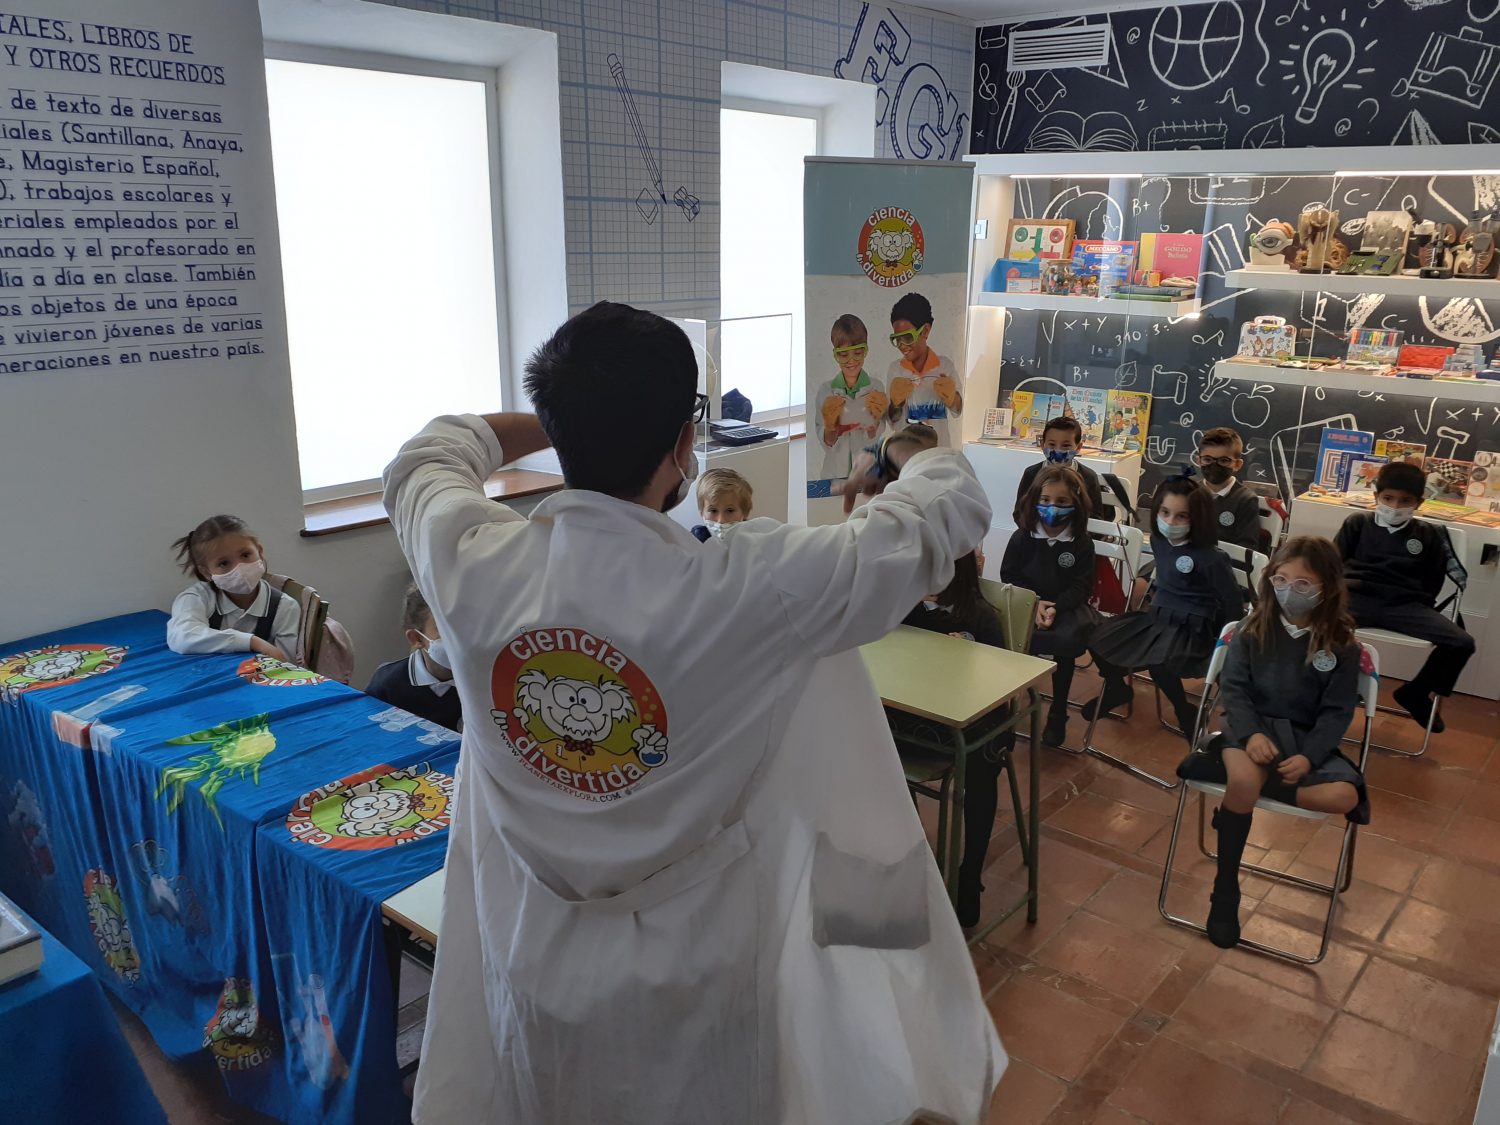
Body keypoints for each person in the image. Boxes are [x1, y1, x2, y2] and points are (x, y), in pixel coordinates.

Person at [382, 301, 1002, 1124]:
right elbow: (946, 507)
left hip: (533, 950)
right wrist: (895, 443)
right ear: (683, 447)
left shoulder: (470, 558)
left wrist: (576, 418)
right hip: (697, 975)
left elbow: (425, 455)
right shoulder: (749, 587)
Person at [1179, 536, 1366, 949]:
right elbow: (1235, 689)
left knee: (1344, 797)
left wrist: (1309, 756)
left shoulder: (1341, 644)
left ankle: (1232, 802)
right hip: (1250, 729)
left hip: (1301, 740)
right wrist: (1252, 734)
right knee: (1245, 779)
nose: (1288, 591)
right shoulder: (1252, 626)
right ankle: (1225, 890)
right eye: (1281, 580)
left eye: (1302, 584)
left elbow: (1336, 713)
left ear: (1326, 587)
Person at [1082, 476, 1240, 736]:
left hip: (1194, 631)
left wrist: (1225, 643)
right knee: (1096, 636)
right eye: (1165, 512)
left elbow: (1232, 602)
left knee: (1160, 663)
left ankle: (1183, 710)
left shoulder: (1212, 558)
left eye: (1181, 516)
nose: (1170, 522)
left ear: (1197, 519)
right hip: (1157, 618)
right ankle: (1116, 687)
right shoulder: (1158, 541)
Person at [900, 552, 1004, 928]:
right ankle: (905, 851)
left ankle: (970, 871)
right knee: (866, 745)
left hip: (966, 732)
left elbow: (1002, 686)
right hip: (910, 725)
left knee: (982, 768)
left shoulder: (980, 616)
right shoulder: (902, 608)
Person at [1334, 460, 1472, 732]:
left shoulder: (1429, 534)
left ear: (1419, 503)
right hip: (1355, 599)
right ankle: (1335, 690)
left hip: (1405, 605)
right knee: (1315, 625)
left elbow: (1433, 579)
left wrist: (1419, 609)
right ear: (1376, 496)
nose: (1395, 507)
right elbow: (1332, 566)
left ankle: (1416, 693)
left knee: (1462, 642)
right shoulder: (1357, 523)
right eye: (1388, 498)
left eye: (1405, 500)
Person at [1003, 467, 1100, 747]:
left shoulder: (1081, 543)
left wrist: (1054, 607)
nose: (1051, 508)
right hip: (1027, 603)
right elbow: (1010, 575)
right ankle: (1007, 708)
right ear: (1033, 499)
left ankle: (1058, 714)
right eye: (1045, 500)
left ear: (1076, 505)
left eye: (1061, 502)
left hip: (1064, 607)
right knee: (1005, 635)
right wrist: (1034, 604)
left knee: (1066, 643)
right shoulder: (1022, 537)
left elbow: (1081, 587)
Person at [167, 514, 300, 661]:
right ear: (206, 572)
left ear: (260, 552)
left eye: (245, 555)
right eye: (224, 563)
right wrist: (252, 642)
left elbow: (287, 664)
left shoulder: (285, 607)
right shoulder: (197, 598)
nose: (239, 568)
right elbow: (182, 637)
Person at [365, 583, 461, 731]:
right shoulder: (387, 684)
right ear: (417, 638)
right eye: (444, 629)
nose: (460, 638)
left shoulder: (482, 684)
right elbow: (368, 730)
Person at [884, 292, 963, 447]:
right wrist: (895, 404)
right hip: (905, 451)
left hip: (938, 450)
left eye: (907, 337)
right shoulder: (896, 370)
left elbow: (958, 410)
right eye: (897, 339)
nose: (902, 345)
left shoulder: (944, 366)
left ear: (925, 331)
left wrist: (952, 396)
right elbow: (892, 419)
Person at [816, 314, 888, 481]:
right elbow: (825, 441)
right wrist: (831, 427)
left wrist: (873, 425)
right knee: (834, 507)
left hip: (868, 470)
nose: (851, 361)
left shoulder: (876, 387)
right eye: (843, 355)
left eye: (858, 353)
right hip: (834, 473)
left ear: (866, 351)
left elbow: (877, 433)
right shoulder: (826, 391)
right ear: (835, 354)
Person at [1011, 415, 1106, 522]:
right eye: (1051, 444)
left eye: (1066, 446)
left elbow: (1096, 518)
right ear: (1042, 444)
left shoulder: (1088, 476)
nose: (1058, 450)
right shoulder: (1032, 473)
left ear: (1078, 447)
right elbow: (1019, 513)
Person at [1195, 426, 1262, 552]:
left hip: (1223, 567)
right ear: (1199, 460)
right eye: (1207, 459)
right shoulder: (1189, 492)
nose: (1214, 465)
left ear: (1237, 464)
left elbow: (1247, 547)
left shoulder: (1245, 500)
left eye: (1224, 461)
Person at [691, 467, 753, 542]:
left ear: (745, 513)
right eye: (713, 511)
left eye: (730, 511)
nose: (721, 520)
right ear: (701, 512)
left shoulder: (753, 541)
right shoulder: (697, 540)